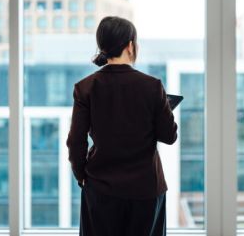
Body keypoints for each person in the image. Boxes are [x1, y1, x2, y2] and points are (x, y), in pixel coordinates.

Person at [66, 16, 178, 236]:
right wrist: (162, 107)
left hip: (100, 188)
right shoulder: (152, 86)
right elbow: (169, 135)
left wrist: (82, 176)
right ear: (130, 45)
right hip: (146, 189)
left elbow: (75, 141)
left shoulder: (85, 88)